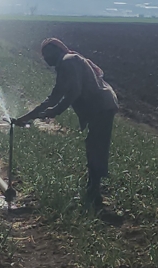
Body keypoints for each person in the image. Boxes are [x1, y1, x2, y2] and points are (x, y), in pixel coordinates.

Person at [11, 38, 118, 208]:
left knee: (96, 147)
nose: (45, 59)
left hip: (102, 106)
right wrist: (26, 117)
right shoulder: (65, 65)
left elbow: (74, 91)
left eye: (46, 55)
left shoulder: (68, 62)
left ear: (55, 51)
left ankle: (95, 193)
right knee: (93, 145)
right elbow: (53, 97)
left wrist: (56, 111)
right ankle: (92, 187)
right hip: (100, 106)